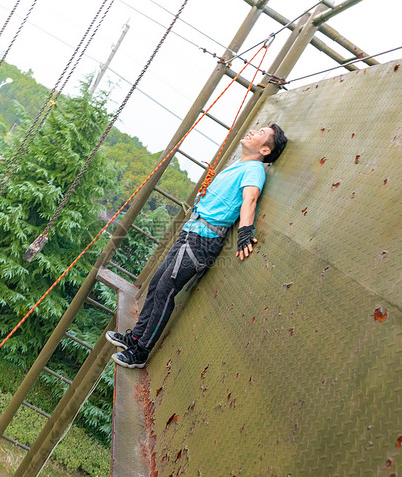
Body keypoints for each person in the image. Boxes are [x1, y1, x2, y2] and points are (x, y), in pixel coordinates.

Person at [108, 123, 288, 369]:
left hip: (203, 240)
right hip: (191, 231)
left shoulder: (255, 170)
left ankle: (140, 352)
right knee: (157, 284)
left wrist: (246, 231)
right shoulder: (239, 165)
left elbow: (251, 199)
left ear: (265, 150)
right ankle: (135, 337)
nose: (254, 131)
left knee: (166, 291)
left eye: (261, 133)